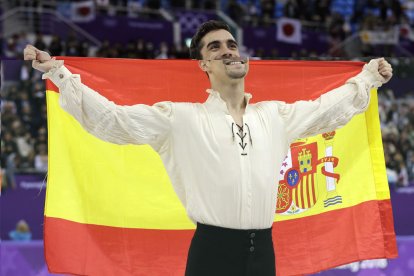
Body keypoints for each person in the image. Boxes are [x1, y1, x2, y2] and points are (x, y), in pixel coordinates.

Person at [24, 21, 392, 276]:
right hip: (212, 252)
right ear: (203, 64)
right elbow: (112, 120)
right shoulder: (179, 119)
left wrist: (369, 78)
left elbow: (327, 109)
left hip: (264, 252)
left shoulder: (276, 116)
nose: (228, 50)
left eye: (232, 44)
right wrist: (58, 73)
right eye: (215, 47)